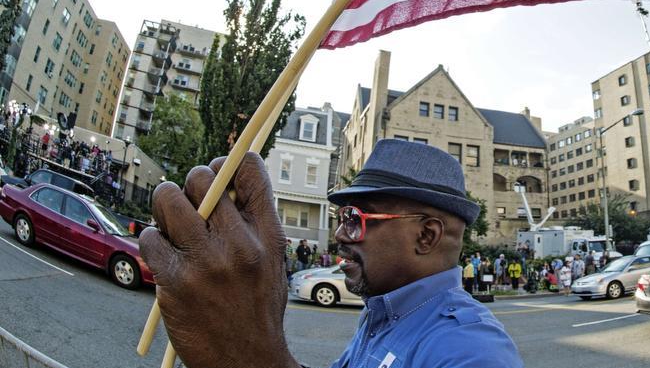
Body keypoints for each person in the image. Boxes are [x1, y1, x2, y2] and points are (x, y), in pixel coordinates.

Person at [139, 139, 523, 368]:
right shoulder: (384, 313)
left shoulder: (470, 352)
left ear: (426, 235)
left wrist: (257, 357)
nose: (340, 233)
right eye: (341, 217)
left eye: (354, 218)